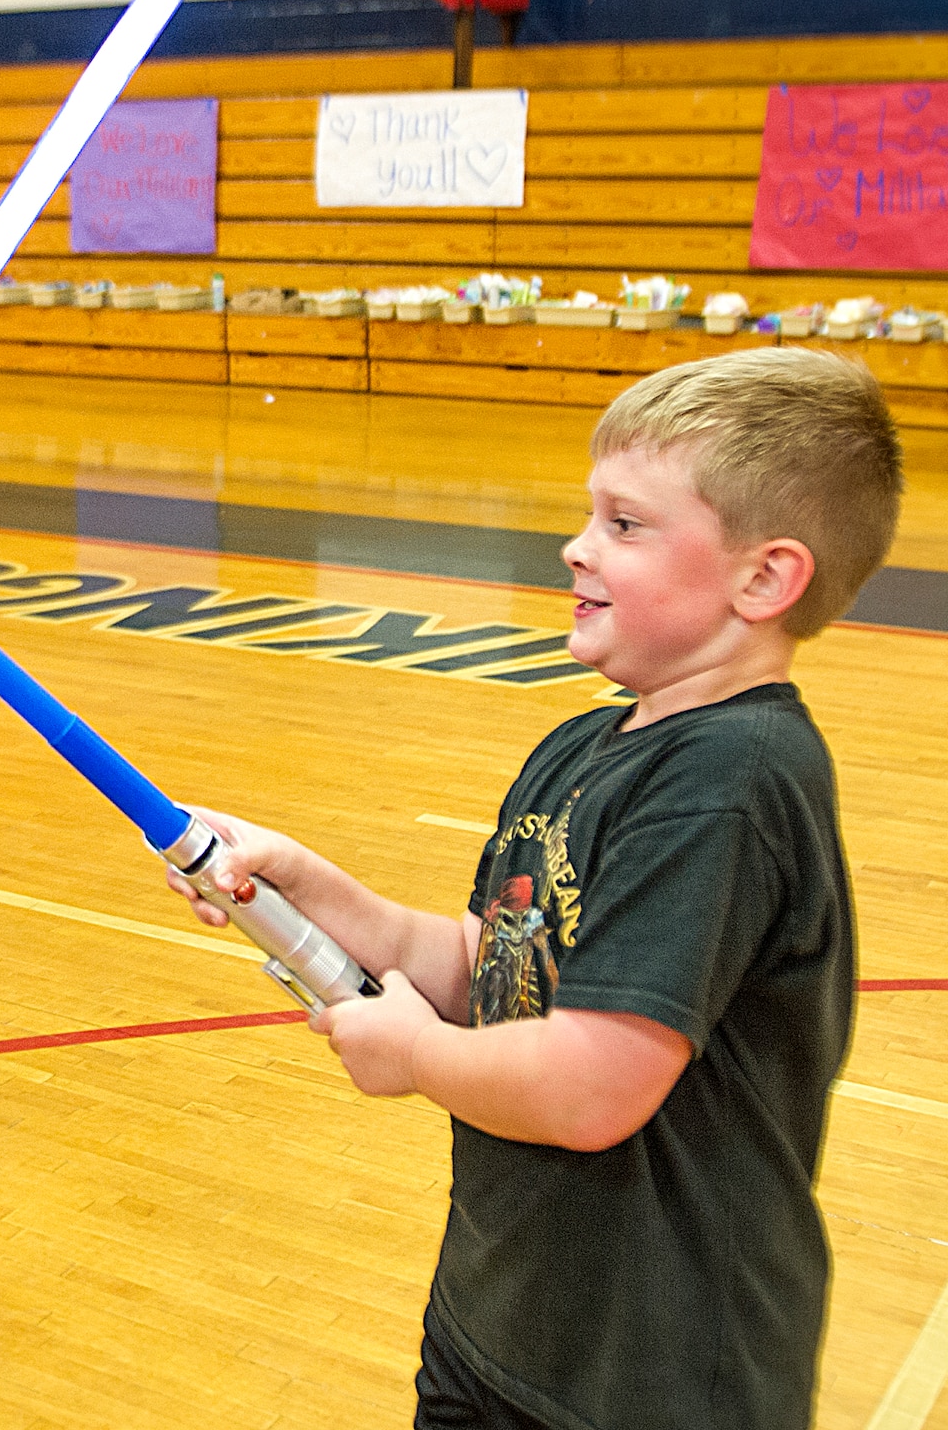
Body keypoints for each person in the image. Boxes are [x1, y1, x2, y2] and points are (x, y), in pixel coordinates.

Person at [169, 348, 902, 1430]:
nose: (576, 545)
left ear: (761, 578)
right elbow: (490, 967)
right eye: (589, 514)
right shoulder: (585, 744)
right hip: (501, 1323)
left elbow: (589, 1088)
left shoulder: (728, 784)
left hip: (650, 1378)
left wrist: (410, 1056)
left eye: (625, 524)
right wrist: (309, 886)